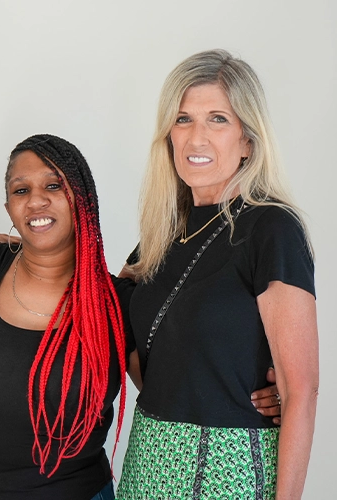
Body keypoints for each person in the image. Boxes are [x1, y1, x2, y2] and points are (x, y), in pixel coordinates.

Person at [116, 49, 318, 499]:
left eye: (218, 119)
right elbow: (127, 332)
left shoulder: (272, 228)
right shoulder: (159, 235)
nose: (196, 138)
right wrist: (14, 244)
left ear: (248, 139)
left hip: (229, 466)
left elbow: (300, 391)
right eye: (183, 119)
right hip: (149, 458)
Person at [0, 135, 130, 500]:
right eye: (21, 190)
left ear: (83, 200)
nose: (36, 200)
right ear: (9, 207)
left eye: (54, 185)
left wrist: (260, 390)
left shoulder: (118, 305)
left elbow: (170, 392)